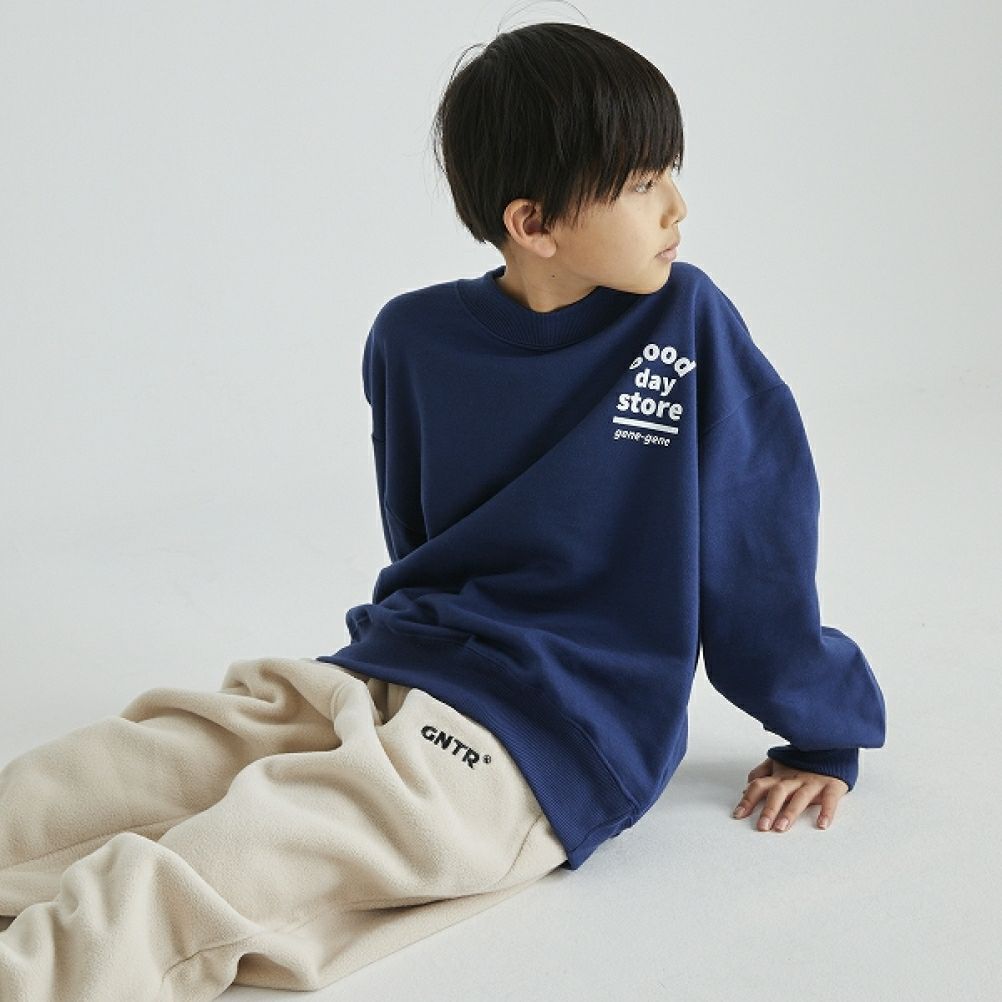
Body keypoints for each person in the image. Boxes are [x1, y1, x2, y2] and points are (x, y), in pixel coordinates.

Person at [0, 18, 887, 1002]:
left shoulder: (686, 324)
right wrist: (407, 663)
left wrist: (820, 730)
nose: (678, 206)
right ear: (534, 223)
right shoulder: (413, 338)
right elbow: (424, 540)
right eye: (643, 183)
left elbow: (755, 537)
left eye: (670, 171)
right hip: (390, 666)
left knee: (229, 861)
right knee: (114, 770)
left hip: (552, 736)